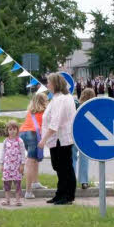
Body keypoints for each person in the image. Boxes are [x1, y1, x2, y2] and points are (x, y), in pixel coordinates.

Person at [38, 72, 77, 205]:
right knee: (60, 167)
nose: (47, 84)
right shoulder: (58, 98)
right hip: (58, 139)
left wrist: (43, 140)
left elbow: (55, 122)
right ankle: (60, 193)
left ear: (55, 84)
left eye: (49, 82)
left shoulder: (61, 99)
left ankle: (67, 195)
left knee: (64, 167)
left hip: (60, 138)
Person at [19, 90, 49, 198]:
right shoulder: (45, 112)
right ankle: (28, 191)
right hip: (33, 135)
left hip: (22, 134)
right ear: (44, 101)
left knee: (34, 159)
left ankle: (35, 183)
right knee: (31, 162)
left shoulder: (30, 112)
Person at [73, 86, 95, 189]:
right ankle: (84, 181)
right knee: (84, 159)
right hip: (85, 136)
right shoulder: (92, 107)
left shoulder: (75, 104)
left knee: (72, 158)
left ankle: (71, 180)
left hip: (73, 134)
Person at [0, 120, 25, 206]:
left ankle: (18, 200)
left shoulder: (20, 141)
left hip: (17, 167)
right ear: (7, 131)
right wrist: (1, 164)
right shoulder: (5, 141)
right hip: (7, 167)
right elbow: (3, 153)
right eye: (10, 129)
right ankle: (7, 200)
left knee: (17, 183)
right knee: (7, 183)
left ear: (17, 130)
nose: (12, 131)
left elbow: (22, 153)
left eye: (14, 129)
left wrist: (22, 164)